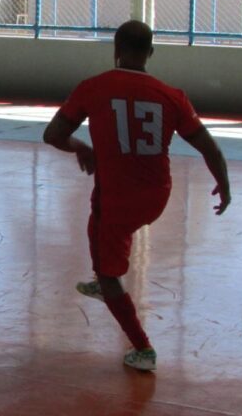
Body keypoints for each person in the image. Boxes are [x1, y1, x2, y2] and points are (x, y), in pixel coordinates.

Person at [42, 20, 231, 372]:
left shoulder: (93, 87)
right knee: (98, 218)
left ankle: (143, 348)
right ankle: (103, 278)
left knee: (108, 255)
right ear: (151, 53)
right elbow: (211, 148)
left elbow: (52, 134)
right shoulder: (172, 95)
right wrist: (224, 183)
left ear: (116, 49)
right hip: (157, 195)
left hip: (118, 197)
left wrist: (82, 147)